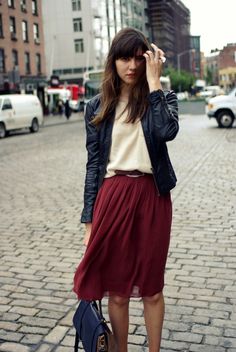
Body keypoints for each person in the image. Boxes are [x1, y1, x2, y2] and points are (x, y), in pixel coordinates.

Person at [73, 27, 179, 352]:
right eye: (124, 58)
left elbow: (167, 131)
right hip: (113, 196)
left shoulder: (161, 99)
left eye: (138, 58)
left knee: (152, 289)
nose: (131, 66)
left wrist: (156, 83)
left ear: (147, 60)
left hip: (152, 196)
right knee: (117, 291)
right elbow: (93, 167)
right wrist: (89, 220)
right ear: (113, 60)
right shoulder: (97, 106)